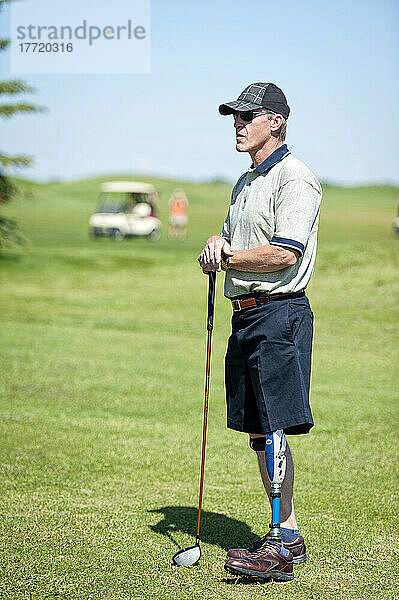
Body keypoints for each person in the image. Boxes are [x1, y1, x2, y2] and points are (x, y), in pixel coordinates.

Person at [197, 82, 322, 581]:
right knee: (255, 429)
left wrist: (229, 257)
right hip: (244, 315)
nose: (238, 123)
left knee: (273, 428)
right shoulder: (244, 182)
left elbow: (284, 253)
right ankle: (281, 532)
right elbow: (237, 240)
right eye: (235, 116)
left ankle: (285, 538)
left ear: (276, 122)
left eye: (248, 116)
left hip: (279, 313)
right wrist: (216, 241)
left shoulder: (296, 178)